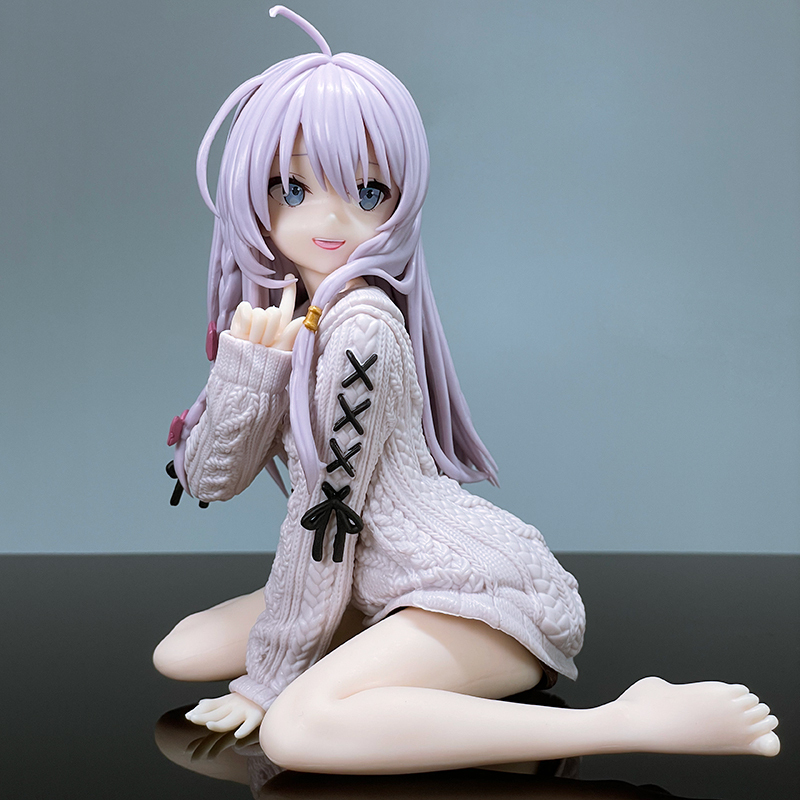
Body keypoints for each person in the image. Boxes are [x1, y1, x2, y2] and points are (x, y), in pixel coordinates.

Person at [154, 6, 779, 773]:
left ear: (400, 199)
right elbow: (210, 479)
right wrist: (249, 369)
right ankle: (356, 646)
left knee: (296, 729)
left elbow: (326, 519)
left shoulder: (360, 330)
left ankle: (627, 720)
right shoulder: (288, 320)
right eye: (294, 186)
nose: (331, 216)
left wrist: (272, 679)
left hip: (477, 592)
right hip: (377, 579)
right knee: (181, 652)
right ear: (255, 188)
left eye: (368, 190)